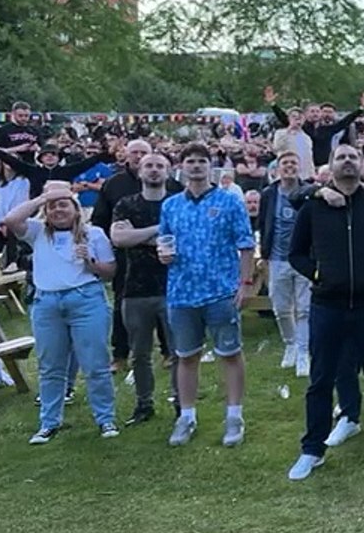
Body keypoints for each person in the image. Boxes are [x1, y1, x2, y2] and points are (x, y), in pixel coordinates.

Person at [285, 145, 364, 481]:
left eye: (353, 157)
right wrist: (317, 274)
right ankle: (313, 449)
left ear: (360, 165)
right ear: (330, 166)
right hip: (327, 304)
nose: (347, 161)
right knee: (321, 379)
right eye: (340, 157)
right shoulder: (315, 206)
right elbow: (295, 252)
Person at [4, 182, 118, 443]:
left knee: (95, 364)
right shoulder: (37, 232)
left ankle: (105, 419)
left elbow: (110, 271)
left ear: (76, 209)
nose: (58, 210)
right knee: (50, 366)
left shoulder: (94, 233)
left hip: (86, 300)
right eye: (52, 206)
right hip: (47, 303)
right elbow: (11, 219)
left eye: (63, 204)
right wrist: (45, 197)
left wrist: (89, 261)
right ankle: (49, 423)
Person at [159, 143, 255, 448]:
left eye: (202, 161)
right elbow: (164, 241)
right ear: (182, 167)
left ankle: (234, 415)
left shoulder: (229, 202)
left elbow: (245, 244)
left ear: (210, 167)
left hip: (220, 292)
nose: (196, 166)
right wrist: (163, 256)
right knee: (186, 357)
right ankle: (186, 416)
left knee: (229, 353)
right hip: (182, 293)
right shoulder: (171, 205)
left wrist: (245, 282)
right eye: (191, 161)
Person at [91, 139, 181, 373]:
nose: (151, 168)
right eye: (136, 153)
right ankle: (120, 354)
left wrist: (135, 235)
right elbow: (104, 223)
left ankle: (169, 352)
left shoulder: (175, 191)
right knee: (123, 306)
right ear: (130, 158)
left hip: (170, 261)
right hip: (127, 260)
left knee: (168, 308)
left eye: (145, 153)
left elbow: (184, 231)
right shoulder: (114, 185)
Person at [109, 153, 179, 426]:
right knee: (139, 353)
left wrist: (138, 235)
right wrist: (159, 231)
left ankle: (180, 402)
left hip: (173, 288)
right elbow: (119, 238)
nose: (153, 170)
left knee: (177, 351)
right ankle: (143, 403)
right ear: (139, 172)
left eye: (159, 166)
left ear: (168, 172)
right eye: (148, 166)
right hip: (135, 289)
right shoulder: (126, 204)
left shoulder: (177, 203)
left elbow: (183, 239)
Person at [257, 151, 312, 377]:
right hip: (278, 258)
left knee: (305, 309)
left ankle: (303, 351)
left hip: (304, 257)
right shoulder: (269, 194)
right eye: (285, 163)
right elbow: (263, 223)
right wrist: (265, 253)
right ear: (277, 169)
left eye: (293, 163)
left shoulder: (309, 191)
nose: (289, 167)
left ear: (299, 167)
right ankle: (290, 343)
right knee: (280, 308)